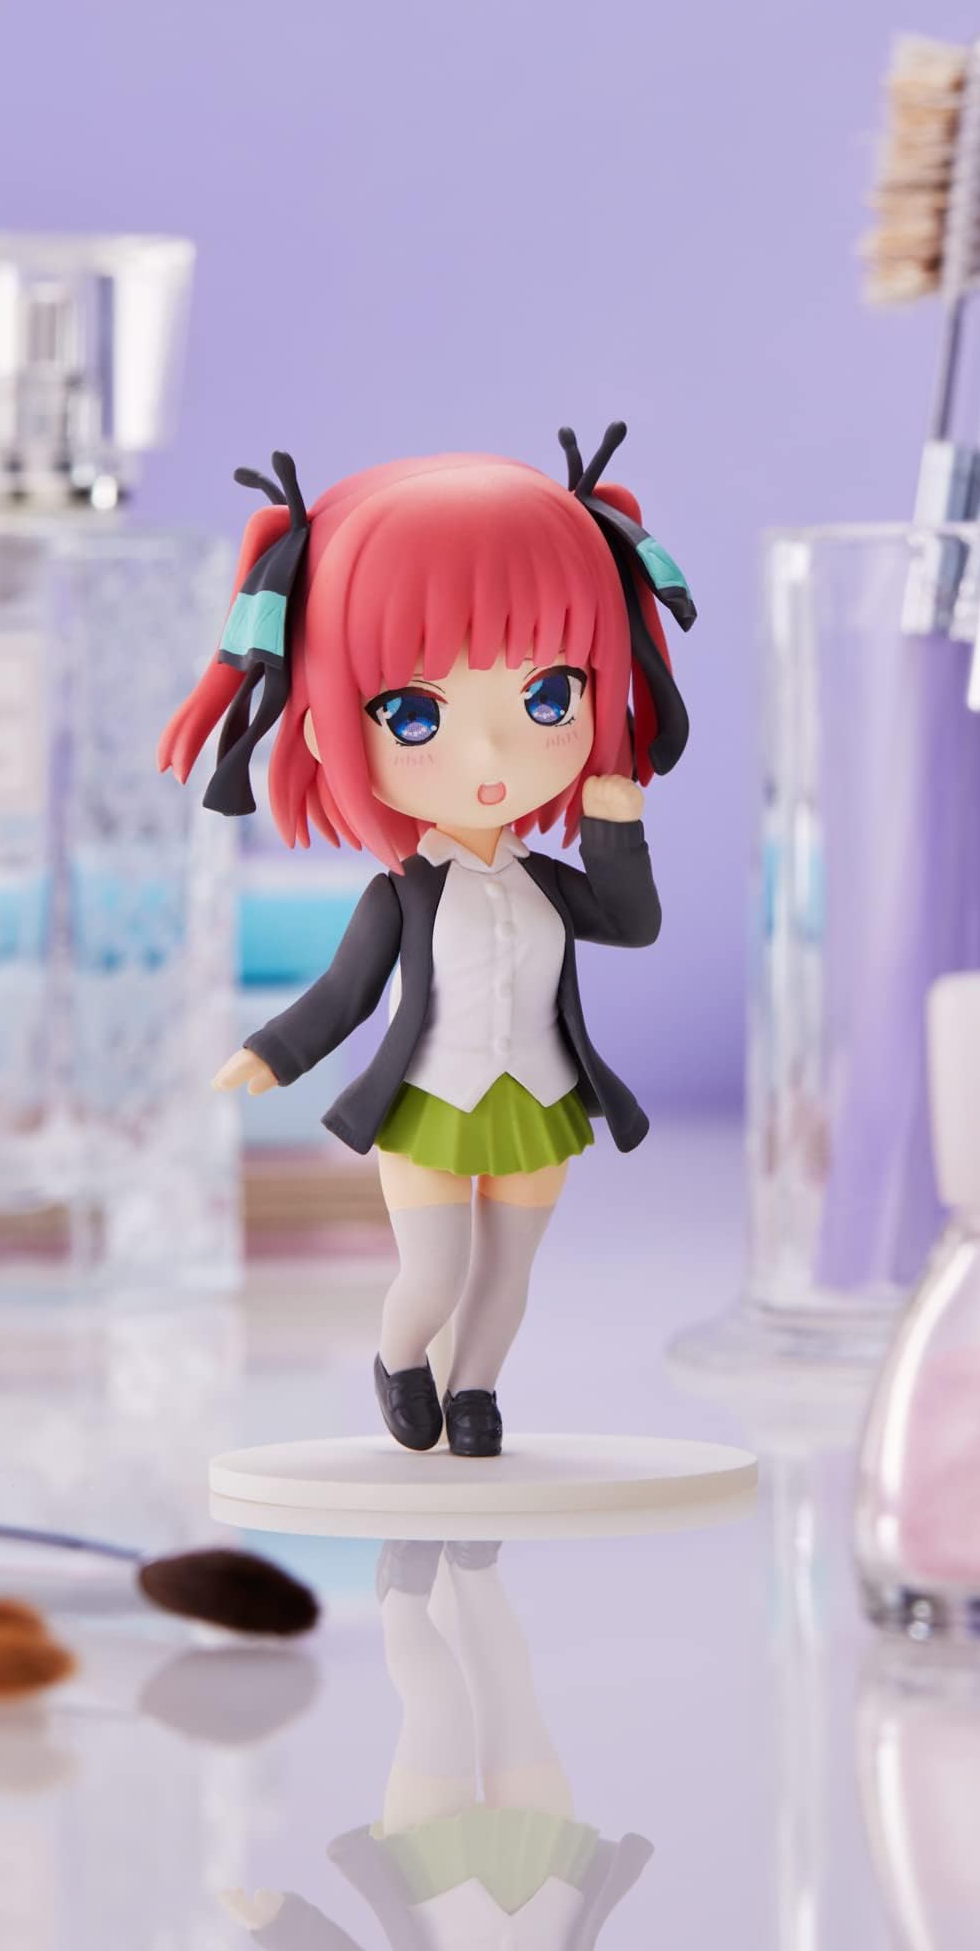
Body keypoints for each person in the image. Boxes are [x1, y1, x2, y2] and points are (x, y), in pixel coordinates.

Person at [159, 426, 695, 1456]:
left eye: (549, 695)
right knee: (435, 1270)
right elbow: (344, 993)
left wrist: (614, 831)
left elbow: (633, 924)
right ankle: (402, 1357)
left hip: (538, 1100)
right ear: (324, 726)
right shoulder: (401, 894)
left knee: (510, 1271)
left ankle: (477, 1389)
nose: (489, 752)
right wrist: (271, 1052)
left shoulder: (546, 883)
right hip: (429, 1106)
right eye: (414, 714)